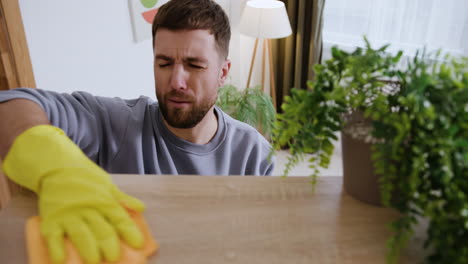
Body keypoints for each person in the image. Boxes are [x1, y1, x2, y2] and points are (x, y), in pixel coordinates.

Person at [0, 0, 275, 263]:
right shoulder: (118, 124)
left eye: (195, 65)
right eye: (164, 63)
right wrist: (55, 168)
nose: (177, 81)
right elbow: (10, 106)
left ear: (223, 72)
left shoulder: (253, 154)